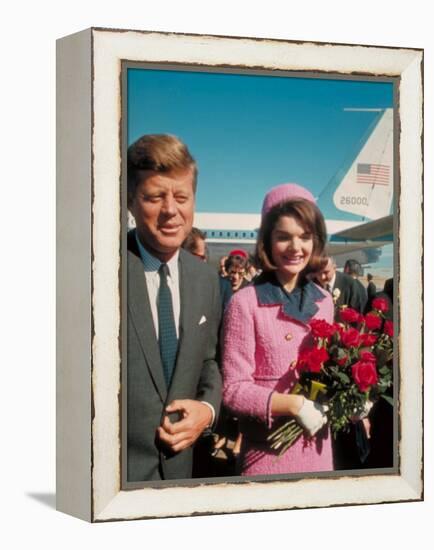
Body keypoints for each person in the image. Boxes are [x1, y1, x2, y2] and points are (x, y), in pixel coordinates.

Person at [126, 134, 222, 481]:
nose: (171, 210)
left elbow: (209, 360)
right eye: (154, 197)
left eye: (181, 197)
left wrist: (207, 411)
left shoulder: (205, 279)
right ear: (130, 200)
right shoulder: (100, 271)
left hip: (182, 474)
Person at [222, 183, 334, 476]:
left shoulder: (324, 302)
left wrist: (357, 396)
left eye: (305, 237)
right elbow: (233, 390)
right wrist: (293, 405)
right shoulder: (245, 302)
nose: (296, 248)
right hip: (267, 453)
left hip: (319, 449)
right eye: (284, 237)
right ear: (267, 242)